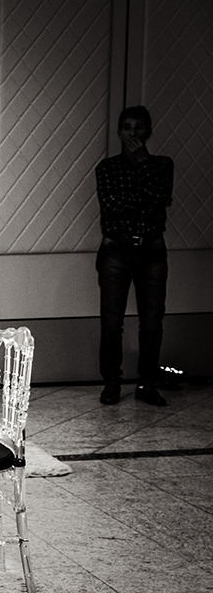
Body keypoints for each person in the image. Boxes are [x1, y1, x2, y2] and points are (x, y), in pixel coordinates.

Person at [95, 106, 173, 406]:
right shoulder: (107, 168)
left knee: (152, 321)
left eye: (139, 127)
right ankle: (111, 383)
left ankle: (147, 384)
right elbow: (111, 204)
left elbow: (161, 197)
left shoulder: (162, 165)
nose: (132, 133)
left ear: (148, 131)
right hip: (117, 249)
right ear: (119, 132)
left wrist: (142, 161)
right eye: (127, 127)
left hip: (152, 251)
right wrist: (146, 200)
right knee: (111, 322)